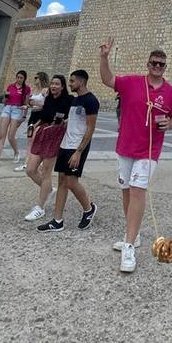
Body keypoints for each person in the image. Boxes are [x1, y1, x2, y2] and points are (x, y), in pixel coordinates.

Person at [99, 39, 172, 274]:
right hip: (125, 147)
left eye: (161, 64)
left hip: (149, 151)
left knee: (137, 191)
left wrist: (170, 124)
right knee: (126, 192)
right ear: (148, 64)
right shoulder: (132, 83)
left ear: (165, 67)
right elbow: (107, 80)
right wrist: (104, 57)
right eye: (154, 62)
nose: (157, 66)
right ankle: (132, 235)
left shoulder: (170, 92)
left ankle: (128, 247)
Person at [37, 70, 99, 232]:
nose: (69, 84)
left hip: (77, 147)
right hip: (65, 145)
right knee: (62, 182)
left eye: (72, 81)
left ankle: (89, 208)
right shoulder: (75, 100)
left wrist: (79, 151)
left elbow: (90, 129)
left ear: (81, 81)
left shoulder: (91, 101)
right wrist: (61, 123)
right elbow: (72, 121)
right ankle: (57, 221)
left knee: (71, 182)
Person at [23, 75, 72, 221]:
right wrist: (34, 126)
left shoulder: (69, 100)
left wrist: (66, 122)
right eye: (52, 83)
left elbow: (76, 114)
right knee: (30, 169)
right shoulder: (48, 99)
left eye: (57, 84)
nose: (54, 86)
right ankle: (49, 190)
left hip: (55, 136)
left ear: (63, 86)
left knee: (46, 173)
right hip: (42, 135)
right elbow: (44, 115)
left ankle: (40, 207)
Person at [0, 71, 30, 167]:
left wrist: (24, 116)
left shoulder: (26, 89)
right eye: (18, 77)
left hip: (17, 110)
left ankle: (16, 152)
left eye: (21, 78)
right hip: (7, 108)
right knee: (2, 135)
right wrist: (5, 97)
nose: (19, 79)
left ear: (24, 79)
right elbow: (4, 101)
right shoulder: (10, 86)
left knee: (11, 136)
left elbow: (26, 104)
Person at [15, 71, 50, 171]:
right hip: (33, 114)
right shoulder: (34, 90)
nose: (34, 80)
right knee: (30, 139)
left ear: (41, 79)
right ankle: (27, 162)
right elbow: (32, 104)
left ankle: (40, 162)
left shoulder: (45, 91)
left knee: (38, 139)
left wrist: (37, 104)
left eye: (36, 78)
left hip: (41, 115)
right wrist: (27, 105)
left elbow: (48, 106)